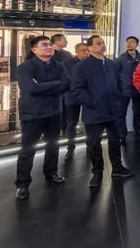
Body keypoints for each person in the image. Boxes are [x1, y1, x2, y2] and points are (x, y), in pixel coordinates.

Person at [72, 35, 134, 188]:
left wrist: (118, 99)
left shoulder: (112, 64)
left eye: (103, 43)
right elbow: (77, 89)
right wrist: (92, 102)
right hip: (94, 112)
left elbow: (118, 83)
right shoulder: (82, 67)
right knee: (94, 144)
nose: (102, 45)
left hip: (113, 110)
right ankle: (97, 172)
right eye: (98, 43)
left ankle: (117, 168)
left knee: (115, 140)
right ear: (90, 48)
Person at [14, 36, 70, 200]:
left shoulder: (59, 66)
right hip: (33, 114)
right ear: (34, 49)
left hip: (54, 112)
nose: (49, 47)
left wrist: (42, 86)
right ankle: (23, 183)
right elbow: (30, 88)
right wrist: (55, 84)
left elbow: (66, 84)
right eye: (44, 45)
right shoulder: (25, 67)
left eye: (50, 44)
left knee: (53, 146)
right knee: (28, 149)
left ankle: (51, 173)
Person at [63, 42, 90, 160]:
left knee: (89, 122)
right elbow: (66, 80)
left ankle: (90, 145)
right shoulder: (67, 64)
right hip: (72, 97)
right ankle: (70, 148)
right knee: (71, 123)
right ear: (76, 52)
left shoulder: (91, 63)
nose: (86, 53)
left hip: (88, 97)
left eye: (88, 50)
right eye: (83, 51)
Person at [115, 36, 140, 144]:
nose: (129, 44)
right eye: (127, 42)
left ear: (136, 45)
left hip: (138, 90)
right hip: (123, 90)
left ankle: (138, 133)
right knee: (121, 114)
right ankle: (122, 135)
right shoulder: (120, 58)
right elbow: (115, 75)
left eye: (132, 42)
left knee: (138, 113)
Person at [51, 33, 72, 135]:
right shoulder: (49, 53)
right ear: (57, 41)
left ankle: (65, 129)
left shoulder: (67, 54)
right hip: (52, 87)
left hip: (65, 86)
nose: (66, 41)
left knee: (66, 109)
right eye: (64, 40)